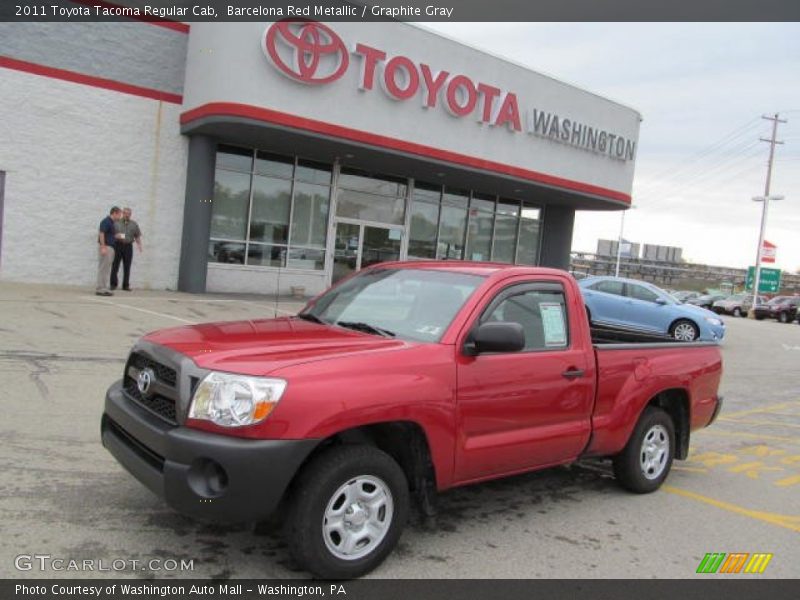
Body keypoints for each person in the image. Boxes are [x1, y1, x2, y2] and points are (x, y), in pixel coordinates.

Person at [110, 207, 143, 291]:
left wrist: (139, 245)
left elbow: (137, 235)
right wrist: (117, 236)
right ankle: (113, 284)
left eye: (129, 214)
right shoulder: (116, 223)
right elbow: (111, 234)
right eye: (125, 213)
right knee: (115, 265)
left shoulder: (134, 224)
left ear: (130, 215)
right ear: (122, 214)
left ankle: (126, 285)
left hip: (128, 246)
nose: (127, 215)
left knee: (127, 266)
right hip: (118, 245)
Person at [97, 206, 122, 296]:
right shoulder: (106, 221)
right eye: (119, 215)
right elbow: (101, 233)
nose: (120, 217)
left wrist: (116, 236)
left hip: (110, 247)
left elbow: (108, 235)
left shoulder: (111, 223)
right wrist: (103, 247)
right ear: (114, 213)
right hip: (106, 247)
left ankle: (104, 287)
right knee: (103, 268)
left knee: (107, 269)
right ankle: (100, 288)